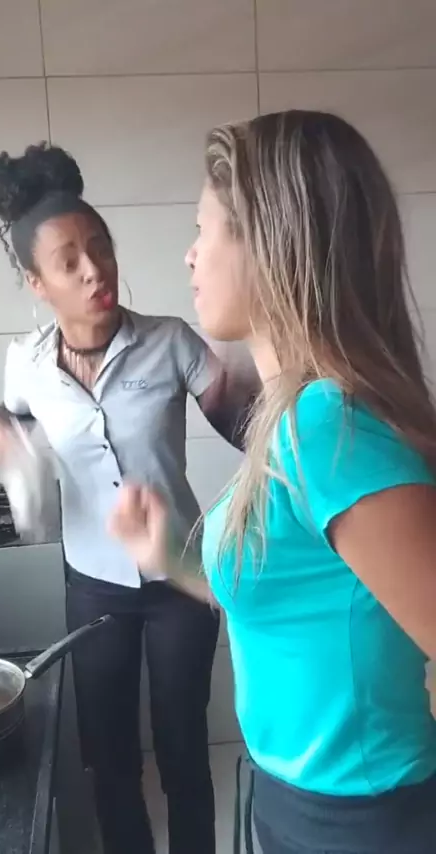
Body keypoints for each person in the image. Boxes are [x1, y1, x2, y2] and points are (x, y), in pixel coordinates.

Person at [111, 110, 436, 854]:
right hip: (299, 806)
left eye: (204, 229)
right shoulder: (293, 419)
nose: (190, 254)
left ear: (269, 244)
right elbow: (289, 594)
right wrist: (171, 559)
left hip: (364, 823)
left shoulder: (326, 429)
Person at [0, 143, 257, 854]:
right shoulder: (27, 366)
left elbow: (252, 431)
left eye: (100, 247)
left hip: (180, 579)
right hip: (93, 586)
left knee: (183, 747)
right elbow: (8, 422)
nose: (95, 269)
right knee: (109, 757)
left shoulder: (170, 342)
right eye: (69, 261)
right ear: (38, 282)